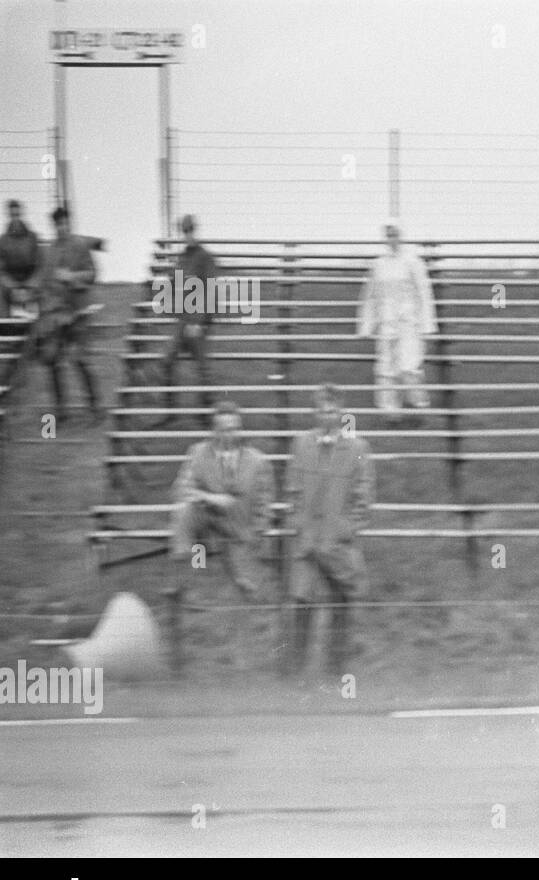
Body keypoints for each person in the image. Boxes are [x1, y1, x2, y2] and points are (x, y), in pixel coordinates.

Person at [168, 401, 274, 668]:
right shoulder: (198, 453)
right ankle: (183, 570)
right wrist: (212, 498)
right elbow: (181, 491)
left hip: (240, 530)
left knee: (246, 589)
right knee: (185, 510)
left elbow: (265, 504)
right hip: (207, 521)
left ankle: (242, 658)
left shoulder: (258, 461)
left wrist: (256, 535)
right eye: (224, 430)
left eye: (235, 429)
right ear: (213, 431)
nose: (230, 435)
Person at [280, 384, 375, 678]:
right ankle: (297, 674)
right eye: (321, 409)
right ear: (314, 412)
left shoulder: (358, 448)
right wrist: (299, 525)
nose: (327, 415)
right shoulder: (300, 443)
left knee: (341, 603)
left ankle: (336, 673)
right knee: (303, 603)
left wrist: (347, 529)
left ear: (341, 412)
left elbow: (365, 496)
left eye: (332, 409)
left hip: (338, 544)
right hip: (308, 542)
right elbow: (292, 490)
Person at [357, 220, 436, 414]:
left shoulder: (413, 262)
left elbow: (424, 293)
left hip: (409, 323)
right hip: (386, 322)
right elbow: (370, 296)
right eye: (388, 234)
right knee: (386, 369)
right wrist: (366, 325)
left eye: (395, 234)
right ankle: (390, 411)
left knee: (409, 367)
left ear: (401, 235)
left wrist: (427, 325)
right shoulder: (378, 264)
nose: (392, 238)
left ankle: (419, 406)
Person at [35, 206, 100, 422]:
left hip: (78, 313)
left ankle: (94, 407)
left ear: (69, 223)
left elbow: (92, 274)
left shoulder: (80, 245)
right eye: (58, 224)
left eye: (65, 223)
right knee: (51, 359)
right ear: (54, 226)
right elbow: (44, 284)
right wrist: (49, 309)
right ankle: (61, 410)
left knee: (79, 359)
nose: (62, 227)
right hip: (57, 315)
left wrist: (72, 277)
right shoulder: (50, 251)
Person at [158, 214, 220, 409]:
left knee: (202, 368)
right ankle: (170, 411)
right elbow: (174, 284)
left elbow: (211, 290)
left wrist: (200, 323)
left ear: (195, 230)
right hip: (184, 320)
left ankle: (205, 413)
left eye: (190, 230)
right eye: (185, 231)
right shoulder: (182, 258)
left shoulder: (204, 257)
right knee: (166, 361)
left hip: (198, 321)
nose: (188, 235)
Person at [0, 199, 42, 323]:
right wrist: (13, 287)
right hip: (10, 284)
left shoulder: (32, 237)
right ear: (9, 216)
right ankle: (5, 329)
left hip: (30, 282)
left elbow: (39, 265)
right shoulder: (3, 240)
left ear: (21, 214)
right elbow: (1, 270)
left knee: (44, 291)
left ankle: (40, 330)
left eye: (17, 215)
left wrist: (29, 286)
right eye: (12, 215)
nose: (15, 219)